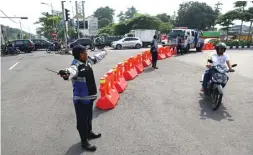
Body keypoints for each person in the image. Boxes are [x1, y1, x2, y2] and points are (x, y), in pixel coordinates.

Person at [58, 45, 107, 152]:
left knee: (89, 117)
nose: (87, 54)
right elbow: (71, 71)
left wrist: (104, 52)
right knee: (82, 121)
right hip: (81, 99)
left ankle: (89, 133)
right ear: (81, 55)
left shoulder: (87, 61)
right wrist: (66, 73)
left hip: (90, 97)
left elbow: (97, 58)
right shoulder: (75, 66)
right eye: (85, 52)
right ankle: (84, 141)